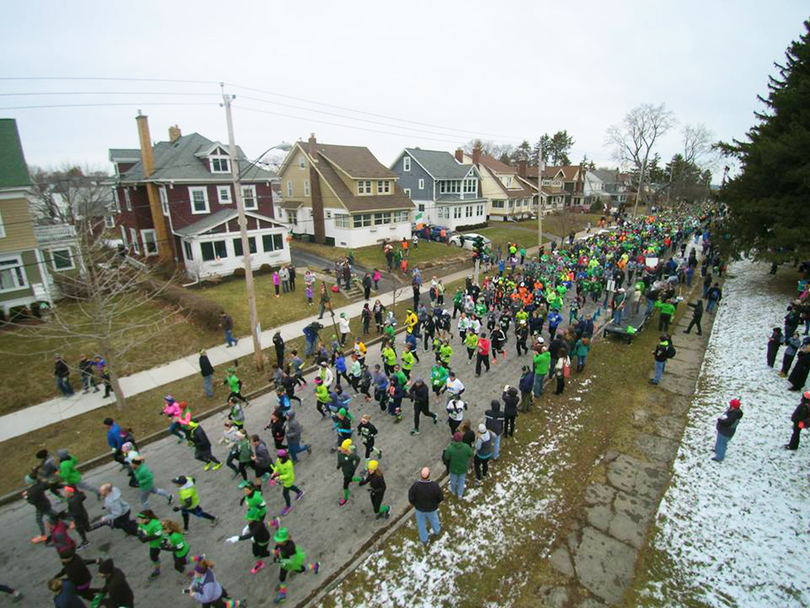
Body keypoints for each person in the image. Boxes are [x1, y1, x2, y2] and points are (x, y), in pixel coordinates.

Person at [269, 528, 320, 604]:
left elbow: (292, 560)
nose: (276, 541)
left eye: (278, 540)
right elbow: (277, 549)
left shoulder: (290, 547)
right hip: (284, 563)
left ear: (284, 540)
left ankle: (314, 567)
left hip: (292, 563)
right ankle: (282, 595)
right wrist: (276, 554)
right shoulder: (279, 544)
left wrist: (280, 560)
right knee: (282, 577)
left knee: (301, 570)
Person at [224, 509, 273, 575]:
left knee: (263, 553)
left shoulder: (258, 525)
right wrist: (247, 527)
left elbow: (251, 534)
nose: (248, 520)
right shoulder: (254, 521)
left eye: (249, 518)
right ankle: (260, 564)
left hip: (263, 540)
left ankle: (276, 551)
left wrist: (237, 538)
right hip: (256, 538)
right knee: (255, 552)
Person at [407, 467, 443, 545]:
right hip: (432, 509)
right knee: (434, 520)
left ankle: (424, 539)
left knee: (421, 525)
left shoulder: (416, 486)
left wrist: (415, 504)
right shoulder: (434, 486)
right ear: (429, 475)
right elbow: (440, 497)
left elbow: (411, 497)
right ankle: (437, 531)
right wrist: (436, 503)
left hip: (419, 509)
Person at [271, 449, 305, 516]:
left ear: (283, 458)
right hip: (284, 479)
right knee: (291, 487)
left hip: (289, 479)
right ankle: (300, 493)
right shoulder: (278, 460)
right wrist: (274, 472)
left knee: (285, 493)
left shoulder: (289, 463)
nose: (278, 459)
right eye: (278, 457)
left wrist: (279, 477)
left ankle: (288, 507)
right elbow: (277, 467)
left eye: (279, 458)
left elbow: (288, 475)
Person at [136, 509, 164, 579]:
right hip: (152, 542)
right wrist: (139, 535)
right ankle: (157, 568)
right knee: (153, 556)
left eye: (141, 519)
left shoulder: (155, 524)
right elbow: (139, 528)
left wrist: (145, 539)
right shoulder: (142, 522)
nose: (140, 521)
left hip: (158, 542)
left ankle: (157, 569)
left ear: (147, 518)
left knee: (153, 556)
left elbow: (158, 535)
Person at [444, 433, 473, 498]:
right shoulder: (466, 447)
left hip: (453, 468)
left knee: (453, 481)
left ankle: (453, 491)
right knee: (461, 481)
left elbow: (446, 457)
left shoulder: (450, 448)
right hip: (463, 468)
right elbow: (471, 453)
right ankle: (460, 494)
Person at [336, 439, 362, 506]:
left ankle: (345, 498)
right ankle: (361, 479)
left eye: (342, 448)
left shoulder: (351, 456)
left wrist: (355, 467)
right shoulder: (340, 454)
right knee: (350, 479)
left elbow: (358, 459)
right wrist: (338, 466)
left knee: (345, 485)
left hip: (349, 472)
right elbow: (340, 461)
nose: (340, 449)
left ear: (346, 450)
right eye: (341, 447)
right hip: (345, 471)